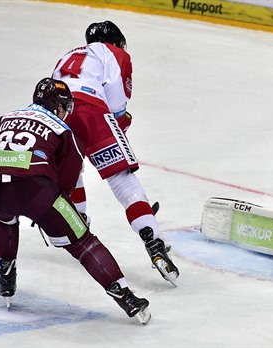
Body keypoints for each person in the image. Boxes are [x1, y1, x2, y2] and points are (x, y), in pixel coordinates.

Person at [0, 78, 151, 324]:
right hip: (36, 191)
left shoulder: (8, 116)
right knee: (84, 242)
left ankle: (5, 278)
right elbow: (68, 179)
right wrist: (54, 209)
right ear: (58, 106)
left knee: (3, 216)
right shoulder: (61, 128)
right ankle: (126, 297)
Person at [51, 20, 178, 284]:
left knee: (73, 171)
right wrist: (119, 123)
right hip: (92, 112)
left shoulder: (68, 55)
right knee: (122, 180)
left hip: (58, 116)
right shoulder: (115, 53)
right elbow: (117, 101)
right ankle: (152, 239)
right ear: (116, 40)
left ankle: (78, 221)